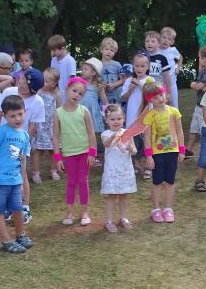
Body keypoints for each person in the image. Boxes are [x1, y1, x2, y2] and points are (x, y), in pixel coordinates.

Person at [0, 68, 45, 225]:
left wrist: (23, 144)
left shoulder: (37, 102)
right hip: (2, 141)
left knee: (21, 174)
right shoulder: (9, 91)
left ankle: (24, 207)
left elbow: (32, 127)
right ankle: (9, 207)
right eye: (22, 81)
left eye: (26, 86)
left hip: (19, 144)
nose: (22, 85)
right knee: (3, 174)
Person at [0, 95, 34, 253]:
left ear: (25, 112)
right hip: (0, 181)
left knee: (17, 208)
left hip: (15, 180)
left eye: (20, 114)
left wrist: (21, 180)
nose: (17, 118)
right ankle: (7, 241)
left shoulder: (25, 136)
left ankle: (20, 235)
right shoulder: (2, 132)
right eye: (12, 116)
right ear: (5, 116)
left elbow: (23, 159)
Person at [53, 77, 98, 226]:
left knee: (83, 181)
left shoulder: (83, 111)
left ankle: (84, 212)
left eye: (80, 94)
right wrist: (58, 157)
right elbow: (56, 137)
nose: (76, 95)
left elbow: (91, 133)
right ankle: (69, 212)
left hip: (84, 152)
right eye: (74, 91)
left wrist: (92, 153)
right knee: (71, 182)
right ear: (66, 90)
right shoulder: (58, 113)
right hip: (69, 154)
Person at [141, 80, 185, 223]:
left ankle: (168, 208)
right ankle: (155, 209)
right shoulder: (150, 116)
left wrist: (182, 150)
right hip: (157, 154)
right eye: (155, 97)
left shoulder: (174, 112)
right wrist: (149, 156)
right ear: (150, 100)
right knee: (157, 181)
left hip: (172, 151)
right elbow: (147, 137)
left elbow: (180, 132)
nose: (160, 99)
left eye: (161, 95)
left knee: (170, 181)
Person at [100, 105, 138, 233]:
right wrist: (113, 137)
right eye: (112, 119)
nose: (116, 122)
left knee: (124, 195)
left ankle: (123, 217)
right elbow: (105, 144)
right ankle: (109, 221)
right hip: (112, 170)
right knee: (111, 195)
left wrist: (131, 149)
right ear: (107, 120)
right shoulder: (105, 134)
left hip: (125, 169)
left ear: (123, 119)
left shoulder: (127, 132)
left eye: (118, 118)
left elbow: (134, 150)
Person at [120, 54, 152, 178]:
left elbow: (151, 93)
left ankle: (148, 167)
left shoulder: (150, 80)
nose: (139, 68)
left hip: (146, 118)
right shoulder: (129, 81)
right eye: (137, 66)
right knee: (134, 143)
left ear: (148, 67)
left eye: (142, 66)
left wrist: (138, 84)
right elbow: (123, 98)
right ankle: (137, 165)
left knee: (146, 142)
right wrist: (130, 90)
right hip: (131, 118)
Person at [186, 45, 206, 159]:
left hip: (205, 107)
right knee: (193, 128)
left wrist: (193, 84)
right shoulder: (204, 71)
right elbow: (199, 86)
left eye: (200, 58)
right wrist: (197, 85)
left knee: (204, 130)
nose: (199, 60)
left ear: (204, 59)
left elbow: (198, 86)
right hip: (199, 105)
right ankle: (188, 150)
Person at [32, 68, 60, 182]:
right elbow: (33, 109)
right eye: (43, 80)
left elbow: (59, 110)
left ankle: (53, 170)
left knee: (53, 150)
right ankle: (36, 173)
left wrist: (59, 125)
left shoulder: (56, 94)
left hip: (51, 126)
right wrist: (32, 124)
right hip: (40, 126)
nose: (44, 83)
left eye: (47, 81)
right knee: (38, 150)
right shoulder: (38, 93)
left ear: (54, 84)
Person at [80, 58, 108, 137]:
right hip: (81, 109)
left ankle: (92, 147)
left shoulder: (98, 85)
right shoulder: (79, 82)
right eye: (82, 69)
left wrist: (108, 112)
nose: (83, 71)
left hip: (92, 111)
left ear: (93, 72)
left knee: (92, 132)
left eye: (86, 69)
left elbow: (104, 101)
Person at [143, 30, 173, 103]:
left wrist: (168, 92)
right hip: (145, 90)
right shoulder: (142, 57)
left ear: (159, 44)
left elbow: (167, 76)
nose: (149, 43)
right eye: (147, 41)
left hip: (159, 91)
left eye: (153, 41)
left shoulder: (162, 58)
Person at [48, 34, 77, 105]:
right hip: (54, 93)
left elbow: (72, 79)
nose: (52, 53)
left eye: (54, 50)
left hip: (66, 95)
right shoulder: (54, 60)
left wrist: (69, 94)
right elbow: (52, 75)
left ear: (63, 48)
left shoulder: (70, 60)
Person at [159, 27, 182, 108]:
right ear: (159, 37)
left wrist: (178, 68)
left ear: (172, 42)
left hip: (171, 83)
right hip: (159, 83)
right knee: (161, 104)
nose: (166, 40)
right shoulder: (156, 50)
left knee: (173, 104)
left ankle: (176, 120)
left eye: (169, 39)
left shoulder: (173, 50)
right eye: (164, 37)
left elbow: (180, 58)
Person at [99, 37, 124, 105]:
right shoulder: (97, 65)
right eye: (106, 49)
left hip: (115, 98)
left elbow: (123, 80)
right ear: (101, 50)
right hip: (100, 98)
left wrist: (113, 85)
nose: (109, 52)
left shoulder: (117, 65)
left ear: (114, 53)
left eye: (111, 50)